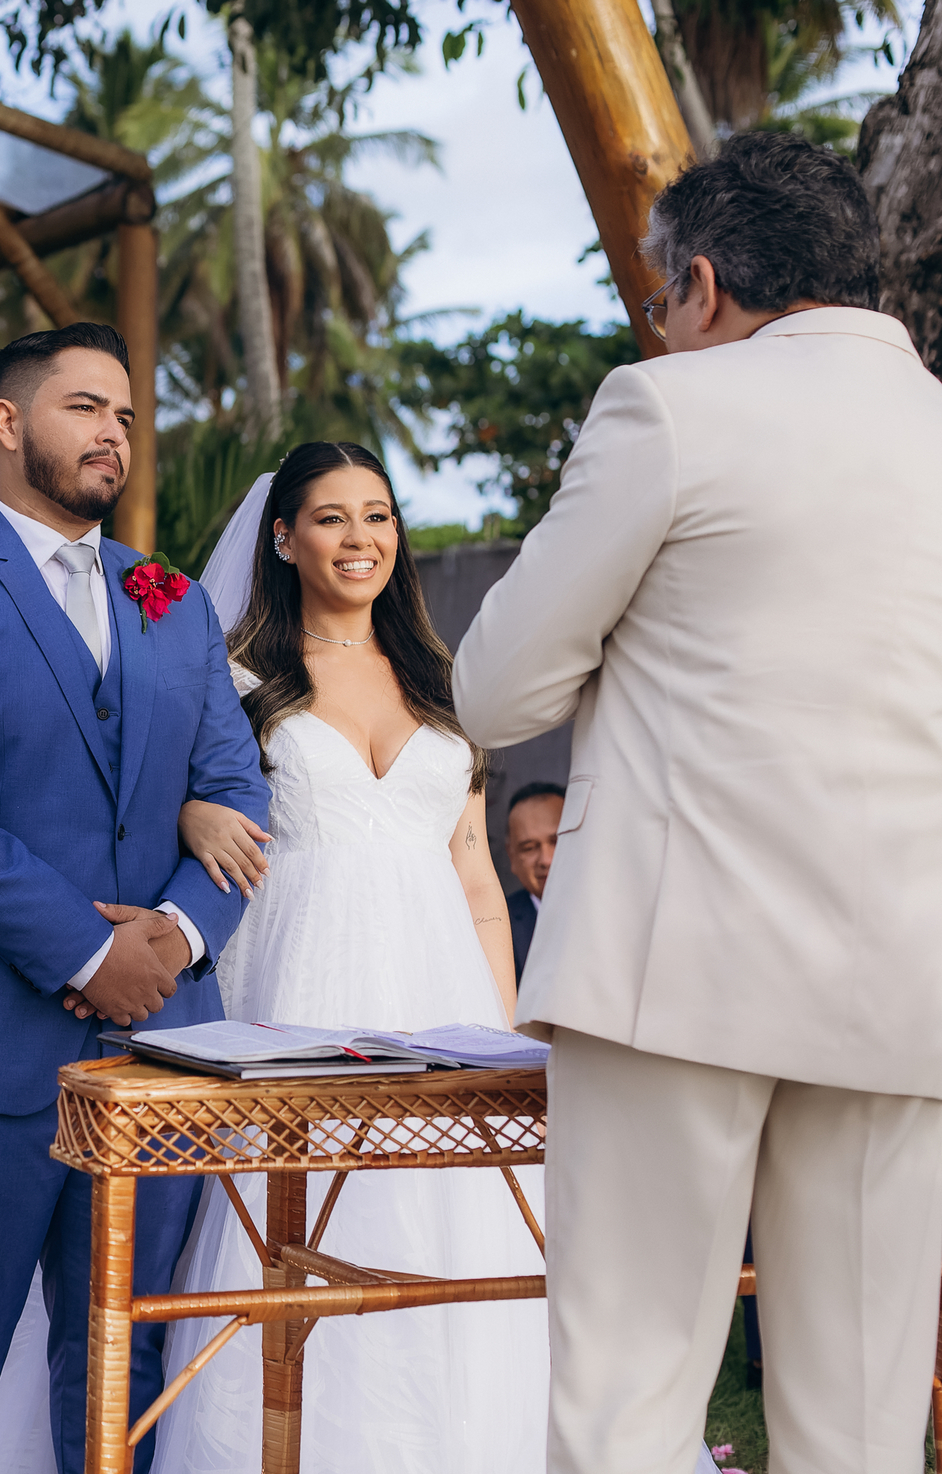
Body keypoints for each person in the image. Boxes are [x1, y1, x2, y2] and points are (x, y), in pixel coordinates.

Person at [452, 130, 942, 1474]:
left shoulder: (672, 408)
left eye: (660, 300)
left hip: (680, 973)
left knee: (626, 1407)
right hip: (907, 984)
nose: (660, 327)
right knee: (863, 1429)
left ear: (706, 285)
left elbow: (498, 690)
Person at [0, 321, 267, 1474]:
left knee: (126, 1364)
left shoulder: (171, 602)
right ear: (6, 422)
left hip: (162, 1055)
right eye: (86, 407)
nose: (113, 433)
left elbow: (233, 790)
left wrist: (174, 938)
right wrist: (92, 959)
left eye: (126, 415)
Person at [123, 444, 548, 1474]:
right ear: (283, 537)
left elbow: (477, 875)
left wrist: (510, 1037)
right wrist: (190, 809)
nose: (360, 538)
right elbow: (161, 805)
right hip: (297, 991)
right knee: (288, 1232)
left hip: (443, 994)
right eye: (331, 518)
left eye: (378, 516)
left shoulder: (448, 682)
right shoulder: (234, 678)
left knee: (457, 1241)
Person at [504, 781, 566, 986]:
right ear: (511, 856)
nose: (545, 860)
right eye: (529, 848)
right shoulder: (500, 926)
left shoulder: (619, 911)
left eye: (556, 842)